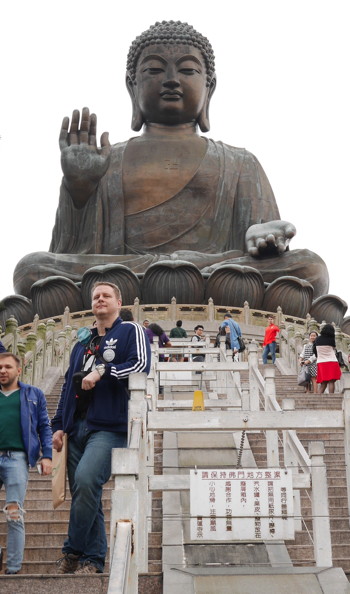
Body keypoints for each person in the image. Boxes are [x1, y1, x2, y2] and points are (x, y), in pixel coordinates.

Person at [14, 20, 330, 314]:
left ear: (210, 88)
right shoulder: (108, 160)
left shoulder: (240, 162)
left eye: (188, 70)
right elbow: (73, 251)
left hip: (216, 271)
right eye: (153, 69)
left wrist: (263, 235)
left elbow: (261, 244)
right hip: (128, 273)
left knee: (310, 267)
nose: (171, 80)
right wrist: (79, 192)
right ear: (131, 86)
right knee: (31, 269)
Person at [51, 282, 151, 574]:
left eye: (107, 295)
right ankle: (93, 559)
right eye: (96, 296)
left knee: (85, 480)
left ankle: (72, 550)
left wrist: (104, 371)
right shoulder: (82, 343)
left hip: (109, 425)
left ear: (119, 302)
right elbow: (69, 386)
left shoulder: (130, 330)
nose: (100, 300)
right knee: (86, 493)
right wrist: (58, 425)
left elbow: (142, 365)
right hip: (76, 427)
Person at [0, 353, 52, 574]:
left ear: (18, 370)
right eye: (0, 367)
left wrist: (47, 455)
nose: (3, 371)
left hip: (17, 458)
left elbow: (44, 426)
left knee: (14, 512)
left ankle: (13, 568)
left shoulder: (33, 394)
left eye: (8, 367)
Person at [308, 324, 341, 394]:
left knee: (323, 383)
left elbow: (314, 350)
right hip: (332, 361)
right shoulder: (331, 339)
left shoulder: (317, 339)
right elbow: (334, 349)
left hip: (321, 362)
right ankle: (331, 397)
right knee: (331, 381)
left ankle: (318, 399)